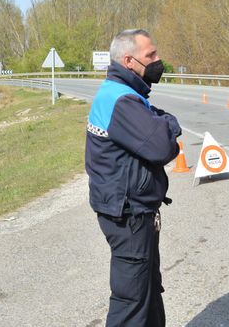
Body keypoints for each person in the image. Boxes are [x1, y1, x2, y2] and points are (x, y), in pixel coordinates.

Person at [85, 29, 182, 327]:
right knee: (131, 302)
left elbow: (160, 124)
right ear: (129, 61)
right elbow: (163, 147)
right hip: (128, 214)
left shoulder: (127, 94)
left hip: (132, 209)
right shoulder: (121, 100)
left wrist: (164, 122)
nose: (158, 60)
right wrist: (168, 123)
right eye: (150, 55)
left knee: (148, 292)